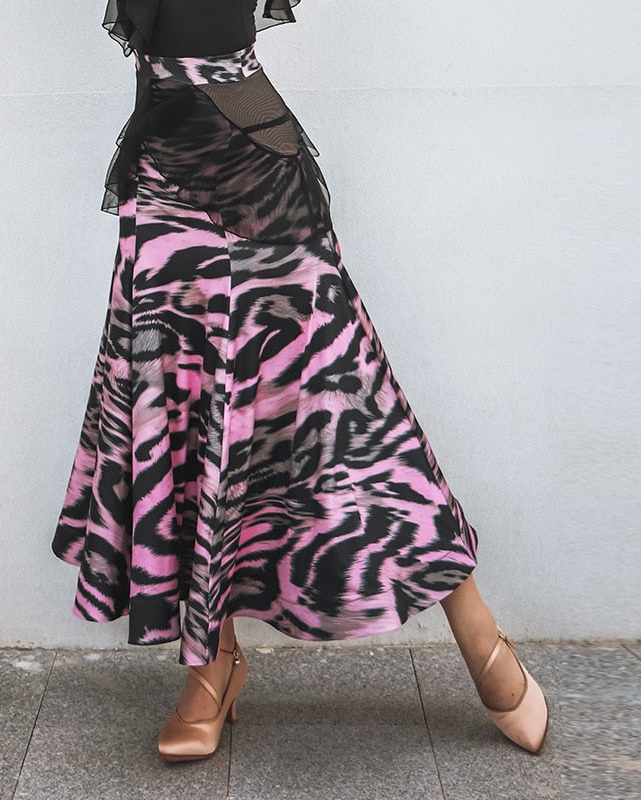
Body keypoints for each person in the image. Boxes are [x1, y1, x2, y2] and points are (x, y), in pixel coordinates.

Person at [52, 0, 549, 762]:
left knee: (351, 402)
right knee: (181, 400)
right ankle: (213, 662)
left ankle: (479, 631)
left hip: (252, 161)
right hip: (161, 173)